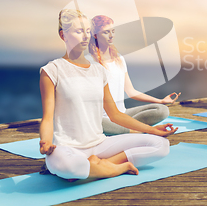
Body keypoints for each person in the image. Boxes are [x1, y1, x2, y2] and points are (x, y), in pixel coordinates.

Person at [39, 9, 176, 180]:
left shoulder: (98, 71)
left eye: (88, 31)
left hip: (100, 144)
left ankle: (101, 164)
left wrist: (152, 130)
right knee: (68, 166)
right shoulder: (52, 70)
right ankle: (115, 168)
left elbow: (115, 114)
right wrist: (46, 142)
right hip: (69, 148)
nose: (85, 36)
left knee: (161, 145)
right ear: (63, 35)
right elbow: (47, 118)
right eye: (79, 31)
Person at [88, 15, 181, 135]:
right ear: (95, 35)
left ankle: (127, 130)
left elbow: (131, 91)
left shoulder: (119, 59)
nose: (111, 35)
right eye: (106, 32)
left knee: (162, 110)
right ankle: (134, 131)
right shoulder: (90, 62)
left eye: (113, 31)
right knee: (95, 122)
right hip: (103, 119)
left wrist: (160, 101)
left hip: (122, 115)